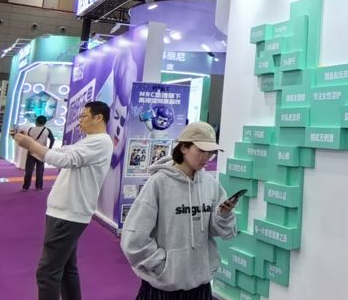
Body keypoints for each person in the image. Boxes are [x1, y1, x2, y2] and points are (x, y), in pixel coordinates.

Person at [121, 122, 238, 299]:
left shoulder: (210, 184)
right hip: (163, 287)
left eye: (210, 153)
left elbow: (218, 231)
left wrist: (223, 215)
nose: (206, 158)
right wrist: (161, 267)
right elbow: (134, 238)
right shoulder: (158, 183)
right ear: (184, 147)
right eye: (201, 150)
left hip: (200, 285)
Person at [12, 101, 113, 300]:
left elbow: (65, 160)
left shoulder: (100, 141)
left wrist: (32, 145)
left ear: (98, 117)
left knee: (47, 272)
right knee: (66, 268)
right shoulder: (90, 141)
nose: (80, 121)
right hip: (66, 212)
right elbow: (63, 153)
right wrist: (33, 145)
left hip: (68, 213)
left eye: (84, 116)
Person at [22, 116, 56, 192]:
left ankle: (25, 187)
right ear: (45, 122)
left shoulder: (31, 129)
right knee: (40, 170)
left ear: (36, 122)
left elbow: (27, 140)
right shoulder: (47, 130)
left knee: (29, 170)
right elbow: (52, 139)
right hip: (42, 151)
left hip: (31, 151)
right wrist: (49, 148)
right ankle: (39, 186)